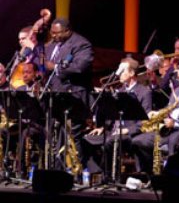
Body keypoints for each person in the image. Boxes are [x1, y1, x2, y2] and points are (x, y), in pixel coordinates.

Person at [85, 57, 152, 180]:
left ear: (132, 73)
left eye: (122, 70)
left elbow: (146, 120)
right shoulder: (120, 90)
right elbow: (112, 114)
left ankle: (109, 176)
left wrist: (127, 130)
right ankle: (99, 172)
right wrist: (102, 127)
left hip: (129, 133)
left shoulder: (144, 92)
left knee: (110, 142)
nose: (119, 74)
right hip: (113, 130)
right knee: (86, 140)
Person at [44, 17, 94, 171]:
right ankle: (56, 171)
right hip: (55, 96)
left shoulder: (82, 44)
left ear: (67, 30)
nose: (53, 36)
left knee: (72, 136)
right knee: (53, 135)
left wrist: (55, 67)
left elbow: (80, 67)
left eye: (57, 33)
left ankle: (75, 172)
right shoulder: (52, 45)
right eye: (52, 32)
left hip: (74, 97)